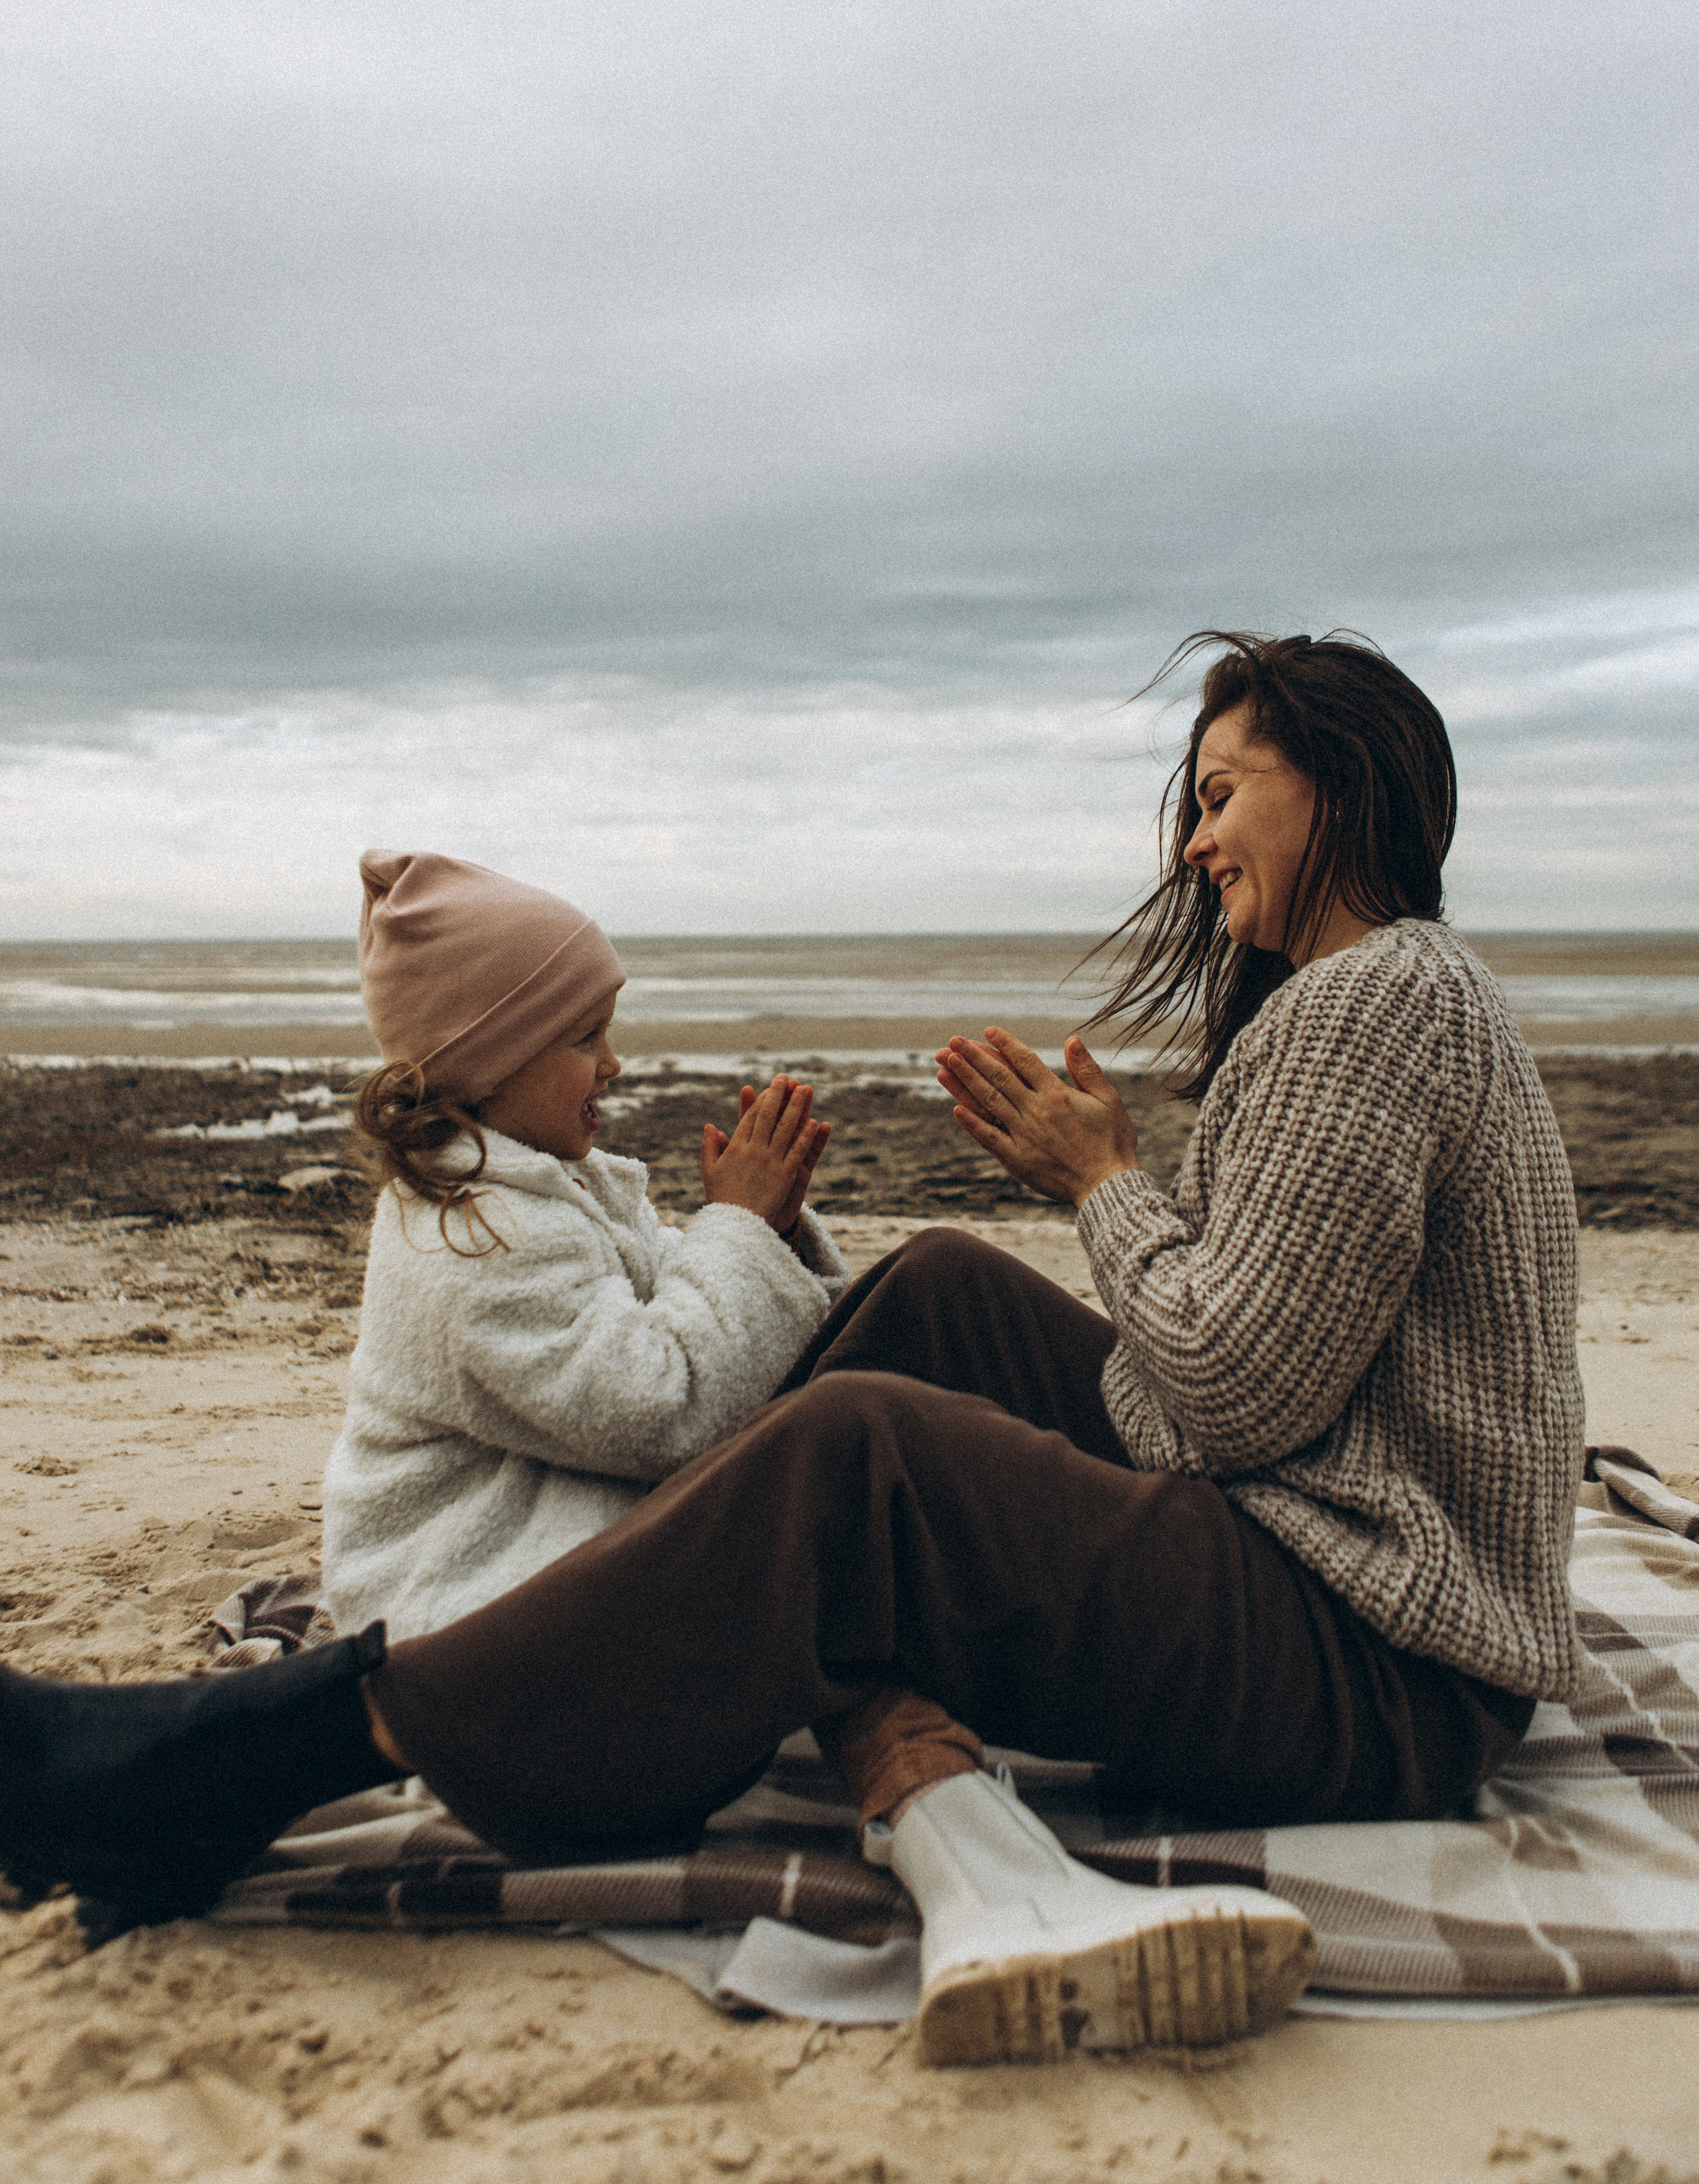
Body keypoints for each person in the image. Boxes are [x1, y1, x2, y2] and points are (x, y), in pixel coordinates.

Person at [0, 633, 1583, 2071]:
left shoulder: (1371, 1002)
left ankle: (246, 1763)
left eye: (1221, 795)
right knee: (938, 1289)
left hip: (1377, 1672)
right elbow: (1260, 1365)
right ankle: (699, 1594)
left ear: (1339, 786)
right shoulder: (1381, 996)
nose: (1191, 840)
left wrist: (1102, 1182)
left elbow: (1234, 1397)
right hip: (1331, 1582)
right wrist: (1094, 1195)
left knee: (864, 1450)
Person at [321, 852, 846, 1642]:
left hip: (560, 1559)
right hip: (468, 1611)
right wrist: (737, 1227)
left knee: (926, 1282)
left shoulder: (553, 1188)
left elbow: (676, 1294)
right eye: (585, 1038)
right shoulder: (474, 1240)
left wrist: (768, 1232)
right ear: (489, 1064)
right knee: (857, 1430)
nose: (613, 1063)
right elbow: (663, 1410)